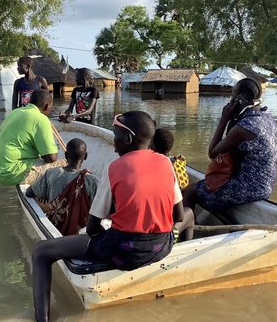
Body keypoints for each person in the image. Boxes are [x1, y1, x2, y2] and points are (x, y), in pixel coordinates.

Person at [31, 111, 184, 321]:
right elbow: (179, 215)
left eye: (116, 136)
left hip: (123, 250)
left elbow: (92, 227)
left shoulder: (114, 167)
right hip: (161, 245)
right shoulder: (166, 163)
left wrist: (110, 238)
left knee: (41, 252)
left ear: (128, 139)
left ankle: (42, 319)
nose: (113, 143)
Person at [183, 78, 277, 215]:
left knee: (190, 192)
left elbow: (212, 153)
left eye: (233, 98)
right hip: (265, 187)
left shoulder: (245, 127)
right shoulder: (267, 118)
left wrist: (224, 119)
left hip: (249, 188)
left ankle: (185, 230)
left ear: (239, 100)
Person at [0, 89, 64, 186]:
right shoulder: (41, 119)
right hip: (9, 173)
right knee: (64, 165)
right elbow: (51, 157)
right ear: (47, 106)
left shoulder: (15, 112)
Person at [152, 128, 195, 242]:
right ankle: (184, 246)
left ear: (151, 146)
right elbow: (179, 216)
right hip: (162, 235)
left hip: (143, 228)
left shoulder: (145, 167)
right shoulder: (174, 167)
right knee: (189, 213)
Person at [25, 138, 98, 203]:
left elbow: (29, 193)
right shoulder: (91, 180)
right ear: (85, 156)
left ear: (66, 155)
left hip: (57, 217)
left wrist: (44, 192)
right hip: (81, 218)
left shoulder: (51, 173)